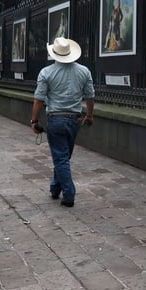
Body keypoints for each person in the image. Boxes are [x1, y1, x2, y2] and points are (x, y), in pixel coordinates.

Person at [30, 37, 95, 208]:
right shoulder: (84, 71)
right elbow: (90, 96)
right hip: (75, 119)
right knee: (63, 156)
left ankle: (69, 194)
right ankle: (54, 188)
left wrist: (34, 120)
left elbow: (38, 99)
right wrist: (89, 115)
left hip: (56, 119)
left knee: (60, 158)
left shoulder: (46, 72)